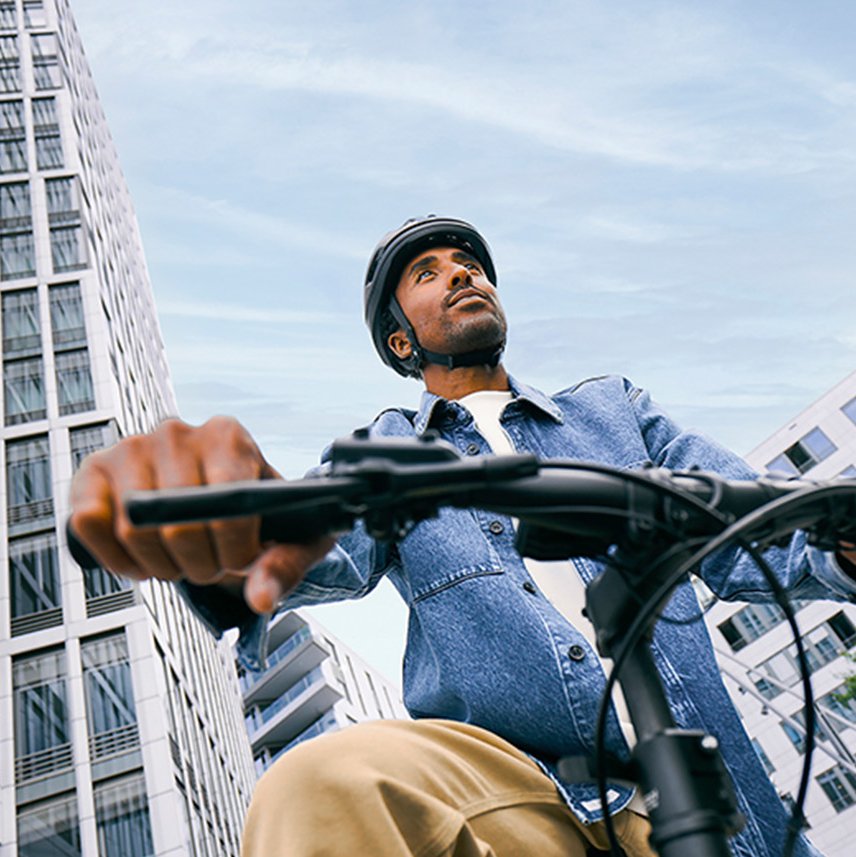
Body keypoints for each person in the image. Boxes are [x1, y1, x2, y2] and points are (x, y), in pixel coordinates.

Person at [70, 216, 856, 857]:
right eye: (429, 272)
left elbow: (765, 530)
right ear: (401, 344)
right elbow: (323, 544)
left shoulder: (614, 411)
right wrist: (228, 515)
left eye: (469, 262)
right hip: (524, 797)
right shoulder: (391, 449)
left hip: (717, 794)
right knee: (321, 783)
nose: (461, 273)